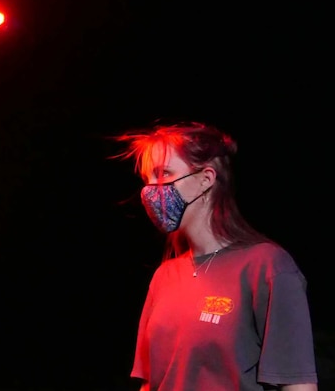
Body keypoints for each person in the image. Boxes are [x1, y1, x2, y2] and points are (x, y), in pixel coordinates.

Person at [115, 120, 318, 390]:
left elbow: (298, 386)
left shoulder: (268, 267)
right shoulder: (164, 276)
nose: (150, 190)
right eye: (147, 179)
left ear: (205, 180)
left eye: (163, 173)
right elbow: (150, 383)